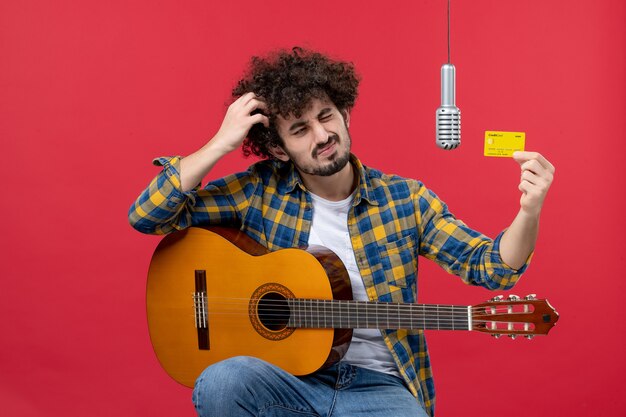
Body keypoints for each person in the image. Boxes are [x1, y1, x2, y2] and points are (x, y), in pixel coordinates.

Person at [128, 47, 555, 417]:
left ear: (344, 112)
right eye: (300, 129)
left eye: (326, 116)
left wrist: (529, 210)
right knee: (223, 381)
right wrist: (220, 143)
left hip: (380, 389)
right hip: (287, 380)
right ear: (278, 148)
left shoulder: (405, 199)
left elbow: (492, 270)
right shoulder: (258, 190)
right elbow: (148, 215)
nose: (322, 135)